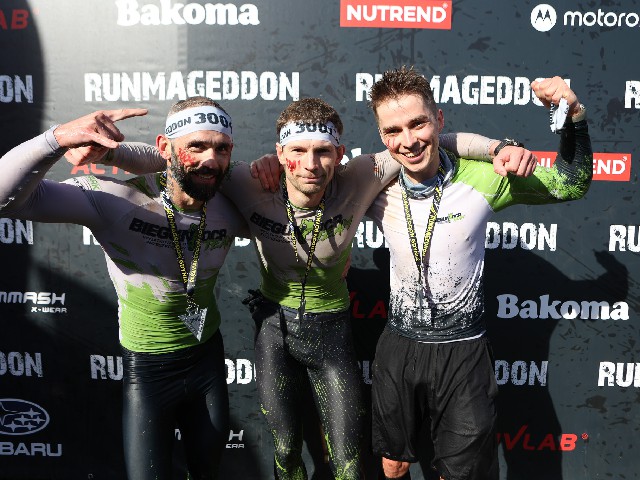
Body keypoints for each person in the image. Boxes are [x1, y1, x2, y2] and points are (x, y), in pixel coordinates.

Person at [72, 97, 535, 480]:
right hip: (274, 332)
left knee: (349, 462)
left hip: (332, 332)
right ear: (280, 153)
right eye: (297, 151)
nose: (310, 165)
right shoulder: (249, 181)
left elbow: (425, 142)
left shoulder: (361, 177)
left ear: (340, 154)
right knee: (286, 451)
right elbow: (177, 159)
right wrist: (110, 154)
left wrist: (498, 147)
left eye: (323, 152)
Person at [0, 97, 248, 480]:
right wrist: (57, 139)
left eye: (221, 148)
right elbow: (6, 200)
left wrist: (119, 153)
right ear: (166, 147)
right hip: (148, 372)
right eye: (196, 146)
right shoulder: (117, 199)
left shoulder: (232, 198)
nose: (210, 160)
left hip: (207, 363)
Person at [364, 69, 592, 480]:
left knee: (460, 474)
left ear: (439, 119)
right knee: (393, 465)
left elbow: (570, 184)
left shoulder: (486, 176)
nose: (408, 141)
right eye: (393, 130)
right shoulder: (371, 183)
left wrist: (572, 114)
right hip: (399, 347)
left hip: (464, 352)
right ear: (382, 135)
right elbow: (308, 188)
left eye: (418, 123)